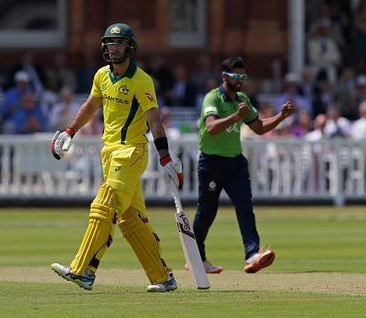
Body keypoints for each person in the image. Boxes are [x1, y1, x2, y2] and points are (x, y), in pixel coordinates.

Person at [50, 23, 183, 293]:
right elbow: (90, 105)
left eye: (119, 43)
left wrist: (166, 156)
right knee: (130, 218)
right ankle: (162, 277)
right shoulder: (101, 75)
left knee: (104, 202)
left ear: (130, 48)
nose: (113, 47)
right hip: (109, 153)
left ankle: (84, 269)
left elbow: (154, 121)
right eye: (109, 43)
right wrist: (70, 131)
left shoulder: (141, 80)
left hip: (132, 152)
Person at [192, 56, 294, 274]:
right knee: (207, 211)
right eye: (236, 76)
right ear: (224, 77)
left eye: (243, 76)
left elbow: (258, 127)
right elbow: (211, 128)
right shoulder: (213, 98)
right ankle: (196, 257)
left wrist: (281, 117)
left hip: (235, 161)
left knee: (245, 205)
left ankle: (252, 254)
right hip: (211, 161)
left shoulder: (242, 99)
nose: (240, 80)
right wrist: (235, 116)